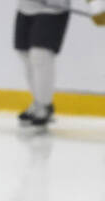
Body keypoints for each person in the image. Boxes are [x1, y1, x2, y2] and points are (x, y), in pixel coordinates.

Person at [14, 0, 105, 129]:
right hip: (26, 6)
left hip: (53, 8)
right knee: (24, 53)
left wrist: (96, 5)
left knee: (40, 55)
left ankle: (44, 106)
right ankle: (39, 101)